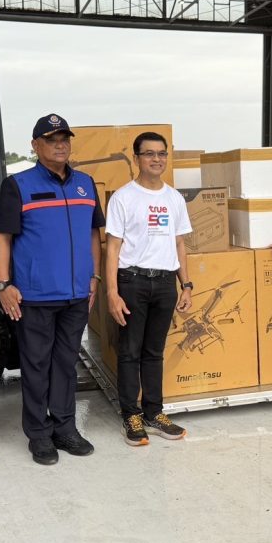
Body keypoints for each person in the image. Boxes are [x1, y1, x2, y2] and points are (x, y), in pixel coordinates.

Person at [0, 113, 105, 465]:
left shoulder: (85, 184)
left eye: (64, 139)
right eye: (51, 140)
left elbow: (93, 234)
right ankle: (39, 434)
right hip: (35, 295)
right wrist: (3, 283)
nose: (60, 145)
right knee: (37, 366)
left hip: (76, 294)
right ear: (35, 145)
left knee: (66, 365)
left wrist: (94, 277)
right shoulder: (18, 185)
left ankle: (65, 428)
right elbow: (2, 237)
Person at [105, 132, 194, 446]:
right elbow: (112, 248)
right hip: (133, 281)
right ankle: (131, 415)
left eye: (161, 153)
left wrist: (186, 285)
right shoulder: (124, 198)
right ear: (136, 158)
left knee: (154, 351)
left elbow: (179, 244)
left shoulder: (174, 198)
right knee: (130, 351)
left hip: (166, 283)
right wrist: (112, 293)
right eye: (149, 153)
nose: (157, 159)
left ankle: (154, 412)